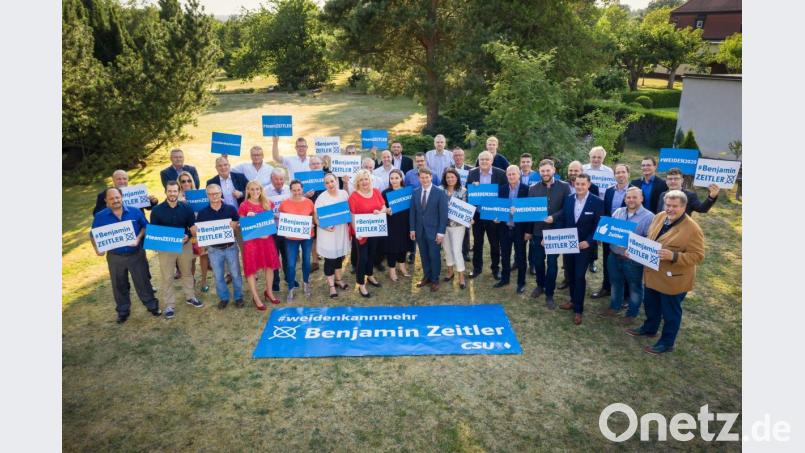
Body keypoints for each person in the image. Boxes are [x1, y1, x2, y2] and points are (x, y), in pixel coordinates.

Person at [625, 190, 705, 355]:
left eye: (675, 206)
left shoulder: (692, 229)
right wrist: (634, 249)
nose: (670, 209)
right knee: (651, 305)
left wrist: (674, 256)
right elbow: (650, 238)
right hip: (653, 273)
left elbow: (698, 256)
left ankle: (667, 342)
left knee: (670, 313)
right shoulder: (660, 216)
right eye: (668, 205)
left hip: (673, 280)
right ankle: (649, 328)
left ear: (684, 206)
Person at [90, 188, 161, 323]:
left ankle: (152, 306)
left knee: (143, 281)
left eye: (117, 197)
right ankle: (123, 311)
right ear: (106, 201)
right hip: (115, 257)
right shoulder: (100, 216)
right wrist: (97, 248)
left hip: (136, 254)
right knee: (119, 284)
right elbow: (93, 234)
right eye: (111, 198)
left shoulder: (134, 211)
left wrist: (139, 238)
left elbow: (145, 227)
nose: (115, 200)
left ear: (122, 197)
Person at [599, 187, 655, 324]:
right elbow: (610, 230)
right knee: (616, 283)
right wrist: (601, 234)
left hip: (633, 260)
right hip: (614, 255)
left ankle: (632, 313)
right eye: (628, 197)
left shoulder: (649, 217)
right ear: (625, 199)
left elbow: (650, 240)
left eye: (635, 197)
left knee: (634, 287)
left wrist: (633, 245)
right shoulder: (618, 212)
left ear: (641, 199)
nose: (631, 200)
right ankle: (614, 307)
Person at [149, 181, 201, 320]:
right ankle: (169, 305)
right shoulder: (157, 211)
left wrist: (188, 236)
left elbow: (192, 227)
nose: (172, 194)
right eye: (170, 191)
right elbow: (154, 232)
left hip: (184, 246)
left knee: (187, 272)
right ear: (165, 192)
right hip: (166, 248)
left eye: (175, 191)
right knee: (167, 276)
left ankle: (190, 297)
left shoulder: (187, 208)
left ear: (179, 192)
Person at [557, 174, 603, 325]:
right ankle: (572, 300)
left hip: (584, 246)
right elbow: (563, 219)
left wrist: (589, 242)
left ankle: (578, 309)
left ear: (589, 184)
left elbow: (599, 225)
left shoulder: (596, 202)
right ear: (574, 184)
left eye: (583, 184)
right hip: (568, 244)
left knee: (578, 277)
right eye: (577, 184)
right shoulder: (569, 199)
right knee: (569, 274)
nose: (580, 187)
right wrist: (555, 237)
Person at [528, 159, 571, 308]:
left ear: (553, 171)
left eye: (548, 170)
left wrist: (554, 217)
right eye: (542, 171)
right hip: (538, 231)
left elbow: (567, 209)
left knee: (552, 264)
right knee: (538, 262)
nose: (545, 173)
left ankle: (549, 294)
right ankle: (540, 285)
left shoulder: (565, 187)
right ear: (539, 172)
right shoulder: (533, 188)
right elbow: (529, 211)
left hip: (555, 233)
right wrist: (518, 211)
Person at [196, 184, 243, 309]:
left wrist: (236, 224)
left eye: (216, 193)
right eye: (211, 194)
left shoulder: (231, 209)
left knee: (235, 273)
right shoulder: (202, 213)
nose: (214, 196)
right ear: (207, 196)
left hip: (230, 247)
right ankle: (224, 298)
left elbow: (238, 224)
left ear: (221, 193)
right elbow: (201, 232)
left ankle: (238, 297)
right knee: (218, 275)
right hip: (214, 250)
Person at [238, 181, 282, 309]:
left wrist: (266, 233)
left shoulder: (267, 203)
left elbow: (270, 221)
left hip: (267, 240)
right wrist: (247, 218)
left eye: (257, 189)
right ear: (248, 190)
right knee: (251, 269)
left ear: (261, 189)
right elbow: (242, 226)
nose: (255, 192)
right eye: (252, 189)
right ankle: (256, 297)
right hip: (252, 242)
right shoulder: (244, 205)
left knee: (269, 266)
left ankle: (269, 292)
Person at [591, 163, 631, 299]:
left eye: (623, 172)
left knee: (625, 264)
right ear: (614, 175)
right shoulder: (609, 191)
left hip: (626, 233)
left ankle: (626, 295)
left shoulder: (634, 191)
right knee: (608, 261)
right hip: (609, 232)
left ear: (628, 174)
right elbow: (604, 212)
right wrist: (601, 233)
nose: (620, 175)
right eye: (617, 172)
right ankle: (606, 287)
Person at [466, 151, 507, 280]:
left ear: (492, 161)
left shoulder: (500, 174)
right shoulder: (472, 173)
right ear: (478, 160)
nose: (484, 161)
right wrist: (472, 188)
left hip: (492, 215)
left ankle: (495, 269)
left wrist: (500, 214)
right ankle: (477, 268)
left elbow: (504, 194)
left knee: (495, 244)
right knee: (477, 243)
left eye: (487, 159)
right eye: (482, 159)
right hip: (477, 215)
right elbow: (469, 194)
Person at [348, 170, 388, 297]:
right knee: (363, 257)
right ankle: (361, 283)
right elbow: (352, 216)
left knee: (372, 254)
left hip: (374, 230)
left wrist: (380, 211)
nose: (364, 182)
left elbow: (383, 206)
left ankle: (370, 275)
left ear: (370, 180)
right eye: (361, 180)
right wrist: (357, 232)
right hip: (360, 233)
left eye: (366, 179)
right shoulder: (353, 196)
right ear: (357, 182)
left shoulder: (376, 192)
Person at [410, 167, 449, 292]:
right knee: (424, 255)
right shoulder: (415, 192)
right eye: (422, 177)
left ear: (431, 177)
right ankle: (426, 276)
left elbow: (443, 215)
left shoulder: (440, 192)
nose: (425, 179)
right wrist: (412, 229)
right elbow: (413, 212)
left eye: (427, 177)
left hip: (434, 231)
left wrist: (441, 232)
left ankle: (435, 279)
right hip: (419, 230)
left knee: (434, 255)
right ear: (419, 178)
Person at [314, 173, 352, 298]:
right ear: (324, 184)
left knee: (339, 256)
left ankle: (339, 279)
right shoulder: (321, 198)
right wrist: (324, 226)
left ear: (336, 180)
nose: (330, 184)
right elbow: (316, 218)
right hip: (328, 232)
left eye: (332, 181)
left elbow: (348, 208)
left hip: (340, 231)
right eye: (327, 182)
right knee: (330, 259)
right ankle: (331, 286)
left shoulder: (343, 194)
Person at [279, 180, 317, 302]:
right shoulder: (284, 204)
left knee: (306, 261)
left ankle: (305, 283)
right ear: (290, 190)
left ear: (302, 189)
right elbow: (282, 221)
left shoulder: (309, 202)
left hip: (307, 237)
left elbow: (314, 219)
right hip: (290, 239)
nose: (296, 192)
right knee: (290, 264)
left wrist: (312, 225)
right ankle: (290, 288)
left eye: (299, 190)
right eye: (294, 190)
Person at [495, 165, 530, 294]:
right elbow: (497, 208)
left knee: (520, 257)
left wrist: (528, 231)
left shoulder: (526, 190)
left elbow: (529, 213)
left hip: (520, 229)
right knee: (504, 255)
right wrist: (496, 217)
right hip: (505, 228)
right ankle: (505, 279)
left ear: (519, 174)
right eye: (509, 174)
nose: (511, 176)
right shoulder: (502, 189)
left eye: (513, 174)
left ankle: (521, 283)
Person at [178, 171, 211, 292]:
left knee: (203, 255)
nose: (186, 183)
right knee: (191, 258)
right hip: (187, 233)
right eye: (183, 181)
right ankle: (191, 280)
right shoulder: (177, 197)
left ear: (192, 181)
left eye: (189, 180)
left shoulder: (200, 194)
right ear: (179, 184)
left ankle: (204, 281)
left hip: (201, 230)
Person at [382, 169, 413, 282]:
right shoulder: (385, 193)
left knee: (404, 246)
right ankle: (392, 270)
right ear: (389, 180)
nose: (394, 180)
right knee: (393, 248)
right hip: (391, 224)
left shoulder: (407, 191)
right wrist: (386, 210)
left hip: (405, 224)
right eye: (392, 178)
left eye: (396, 178)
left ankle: (402, 267)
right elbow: (382, 208)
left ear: (401, 179)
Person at [265, 168, 293, 292]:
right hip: (272, 229)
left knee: (287, 255)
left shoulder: (289, 190)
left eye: (281, 179)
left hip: (286, 228)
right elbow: (261, 210)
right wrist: (272, 215)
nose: (279, 181)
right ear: (271, 179)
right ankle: (275, 282)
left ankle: (289, 278)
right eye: (276, 179)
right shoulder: (265, 191)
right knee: (273, 256)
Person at [440, 168, 467, 289]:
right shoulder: (440, 190)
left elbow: (466, 208)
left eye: (453, 177)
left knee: (456, 250)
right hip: (442, 225)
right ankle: (450, 271)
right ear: (445, 179)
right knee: (447, 249)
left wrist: (468, 218)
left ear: (457, 178)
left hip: (458, 226)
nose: (450, 179)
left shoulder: (463, 191)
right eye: (448, 177)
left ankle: (461, 275)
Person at [93, 169, 158, 216]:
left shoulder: (136, 191)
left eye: (124, 179)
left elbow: (148, 207)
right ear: (113, 180)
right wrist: (107, 206)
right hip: (120, 228)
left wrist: (152, 201)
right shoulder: (103, 195)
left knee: (162, 233)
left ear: (128, 179)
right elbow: (96, 214)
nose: (122, 181)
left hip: (139, 223)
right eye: (119, 179)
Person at [450, 147, 474, 262]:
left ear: (463, 156)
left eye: (460, 155)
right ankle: (452, 252)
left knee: (465, 229)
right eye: (456, 155)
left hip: (466, 202)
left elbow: (474, 186)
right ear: (453, 157)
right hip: (452, 203)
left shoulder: (471, 170)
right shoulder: (448, 169)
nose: (458, 157)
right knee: (451, 228)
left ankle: (465, 252)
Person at [305, 155, 326, 272]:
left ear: (322, 164)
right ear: (309, 166)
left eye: (317, 163)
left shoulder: (327, 177)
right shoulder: (305, 179)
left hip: (324, 211)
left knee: (326, 234)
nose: (315, 165)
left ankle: (328, 257)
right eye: (313, 164)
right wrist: (305, 195)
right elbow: (297, 195)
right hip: (310, 211)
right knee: (313, 237)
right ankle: (315, 261)